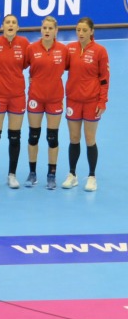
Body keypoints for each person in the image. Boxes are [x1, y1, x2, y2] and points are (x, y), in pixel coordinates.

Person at [63, 17, 109, 192]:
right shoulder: (70, 49)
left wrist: (102, 101)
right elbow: (56, 66)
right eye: (78, 30)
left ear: (91, 31)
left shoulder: (100, 51)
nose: (80, 33)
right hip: (73, 100)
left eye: (84, 30)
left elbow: (104, 79)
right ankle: (72, 175)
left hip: (92, 101)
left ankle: (91, 177)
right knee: (74, 138)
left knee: (90, 139)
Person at [0, 15, 30, 189]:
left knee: (14, 136)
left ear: (18, 27)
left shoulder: (24, 43)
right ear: (2, 26)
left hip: (17, 96)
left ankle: (12, 174)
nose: (10, 25)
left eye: (14, 23)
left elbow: (26, 64)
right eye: (7, 22)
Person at [24, 16, 67, 190]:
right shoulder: (31, 49)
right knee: (33, 136)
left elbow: (76, 67)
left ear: (56, 31)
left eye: (50, 28)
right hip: (35, 97)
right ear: (41, 30)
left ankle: (51, 175)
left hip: (55, 99)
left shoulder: (64, 50)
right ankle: (32, 173)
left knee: (52, 137)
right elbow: (16, 65)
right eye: (45, 28)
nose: (47, 31)